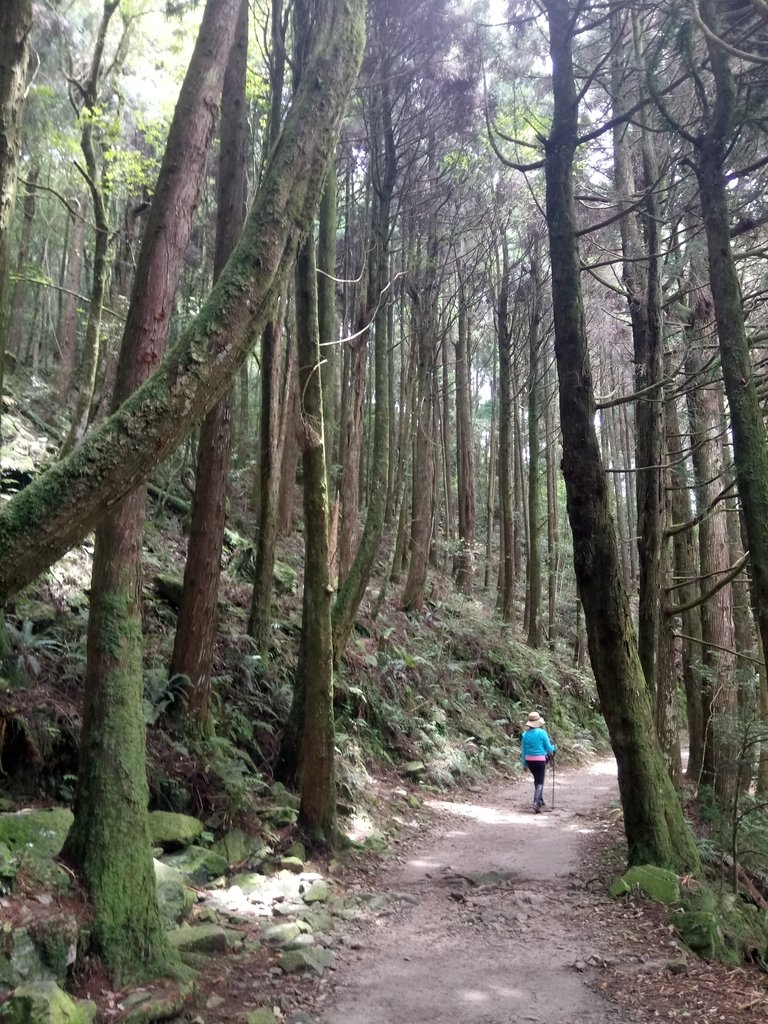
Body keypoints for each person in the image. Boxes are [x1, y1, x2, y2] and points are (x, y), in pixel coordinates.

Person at [521, 711, 556, 813]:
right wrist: (555, 748)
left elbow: (523, 751)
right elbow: (549, 748)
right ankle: (536, 802)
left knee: (537, 779)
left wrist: (524, 764)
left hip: (529, 760)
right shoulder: (542, 733)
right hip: (540, 760)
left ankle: (540, 800)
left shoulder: (525, 735)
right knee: (540, 781)